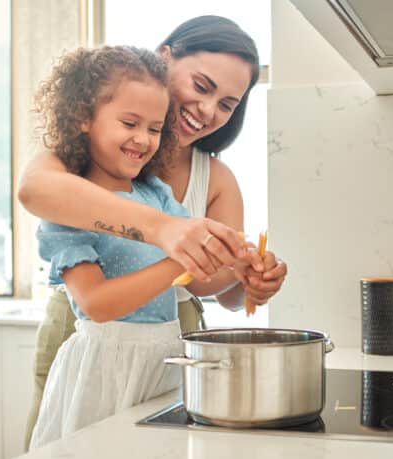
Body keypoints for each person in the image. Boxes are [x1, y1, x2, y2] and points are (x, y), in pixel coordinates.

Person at [19, 16, 288, 448]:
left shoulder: (208, 178)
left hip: (169, 336)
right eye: (201, 86)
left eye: (227, 104)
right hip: (83, 333)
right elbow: (34, 190)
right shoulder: (83, 156)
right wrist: (166, 233)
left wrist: (248, 276)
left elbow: (214, 285)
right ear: (165, 59)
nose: (207, 110)